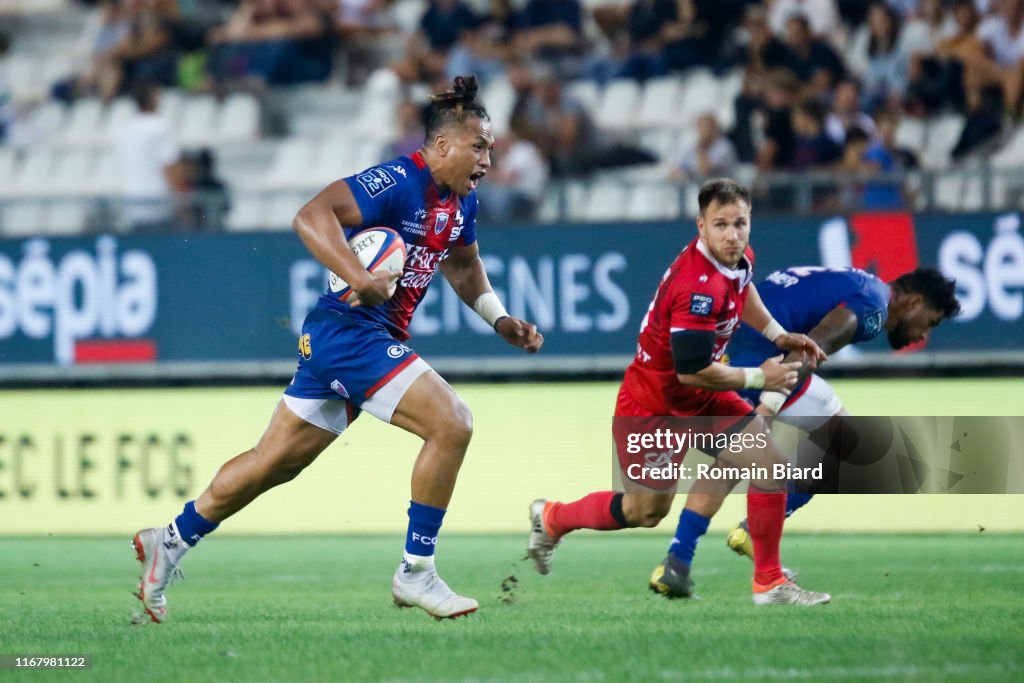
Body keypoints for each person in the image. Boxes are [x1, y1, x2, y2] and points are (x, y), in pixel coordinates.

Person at [132, 75, 544, 623]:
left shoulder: (460, 203)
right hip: (349, 332)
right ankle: (416, 572)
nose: (488, 160)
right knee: (453, 422)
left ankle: (171, 539)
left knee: (270, 464)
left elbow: (464, 265)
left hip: (354, 339)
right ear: (442, 145)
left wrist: (499, 320)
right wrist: (357, 274)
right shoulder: (398, 180)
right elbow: (311, 215)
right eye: (480, 146)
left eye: (490, 148)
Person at [527, 178, 832, 605]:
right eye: (720, 225)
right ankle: (553, 518)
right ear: (700, 226)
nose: (732, 234)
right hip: (654, 406)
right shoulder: (696, 289)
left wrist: (780, 335)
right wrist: (762, 377)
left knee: (768, 465)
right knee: (645, 512)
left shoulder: (738, 258)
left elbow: (743, 293)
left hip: (703, 400)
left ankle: (769, 583)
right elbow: (691, 372)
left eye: (739, 223)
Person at [676, 266, 961, 570]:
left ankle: (677, 560)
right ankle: (753, 534)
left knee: (734, 462)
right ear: (914, 302)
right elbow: (813, 347)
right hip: (760, 361)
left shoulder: (861, 282)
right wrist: (768, 407)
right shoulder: (873, 306)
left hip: (723, 348)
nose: (922, 336)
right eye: (929, 323)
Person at [116, 81, 186, 232]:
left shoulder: (126, 128)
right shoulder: (160, 126)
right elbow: (170, 165)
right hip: (159, 205)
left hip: (133, 204)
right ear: (153, 98)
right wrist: (181, 201)